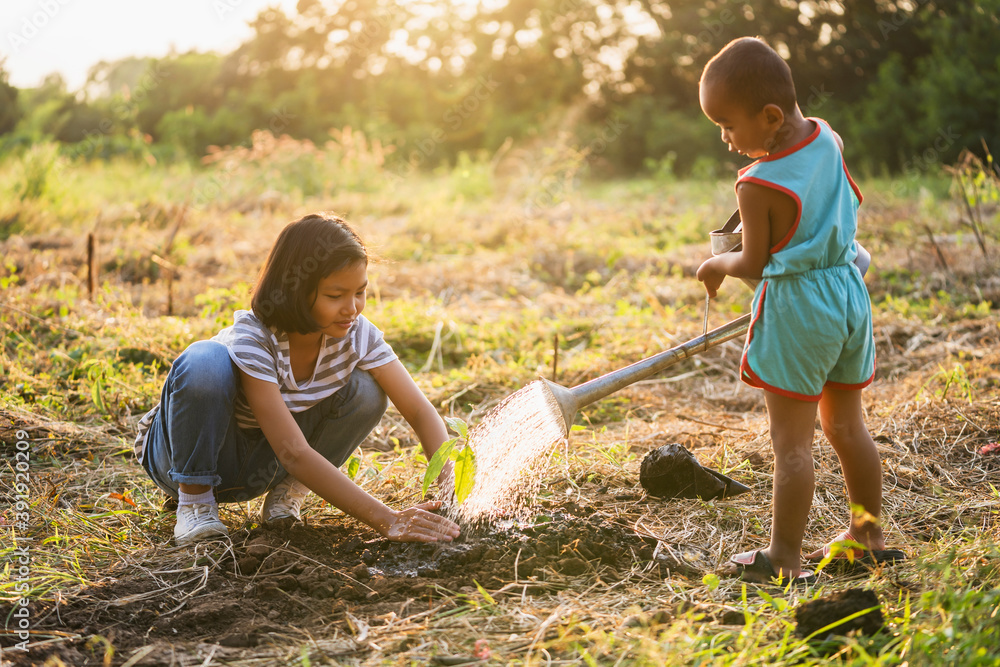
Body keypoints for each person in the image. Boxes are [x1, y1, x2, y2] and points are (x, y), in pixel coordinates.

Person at [695, 37, 904, 583]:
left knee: (791, 443)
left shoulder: (756, 184)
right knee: (848, 427)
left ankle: (784, 557)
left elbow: (757, 263)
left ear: (769, 116)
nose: (725, 138)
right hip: (847, 295)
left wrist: (716, 266)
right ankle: (868, 535)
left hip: (799, 311)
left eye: (727, 124)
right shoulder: (827, 137)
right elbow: (839, 207)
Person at [133, 213, 460, 546]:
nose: (352, 309)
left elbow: (419, 411)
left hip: (261, 467)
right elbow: (291, 451)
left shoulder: (357, 335)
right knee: (205, 360)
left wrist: (450, 488)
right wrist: (387, 519)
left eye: (359, 292)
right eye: (335, 296)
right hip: (187, 456)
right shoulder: (257, 338)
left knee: (367, 392)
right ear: (295, 290)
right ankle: (195, 503)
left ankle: (286, 494)